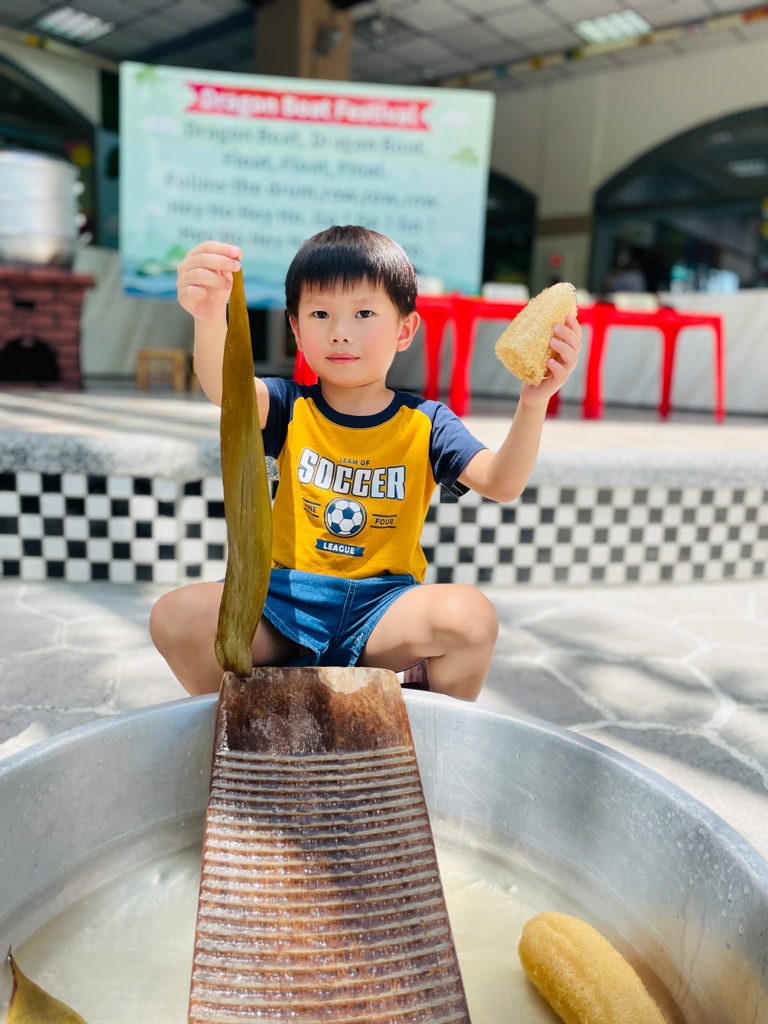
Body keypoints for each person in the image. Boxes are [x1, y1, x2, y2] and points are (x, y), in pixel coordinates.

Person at [150, 227, 582, 701]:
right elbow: (225, 387)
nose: (340, 331)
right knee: (175, 616)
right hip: (282, 603)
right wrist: (210, 317)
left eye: (363, 313)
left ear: (405, 330)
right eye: (320, 314)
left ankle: (434, 730)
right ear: (296, 330)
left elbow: (502, 483)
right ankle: (246, 722)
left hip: (382, 610)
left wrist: (533, 403)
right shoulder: (288, 406)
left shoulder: (427, 422)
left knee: (471, 619)